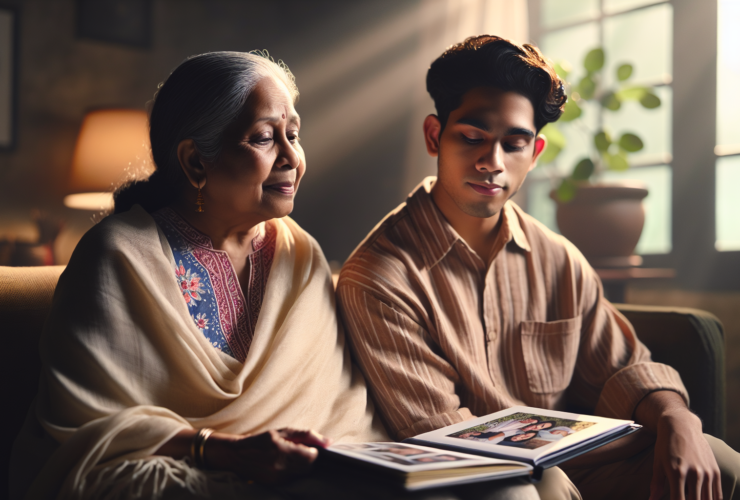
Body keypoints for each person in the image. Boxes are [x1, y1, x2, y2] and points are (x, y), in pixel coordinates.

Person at [337, 35, 740, 500]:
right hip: (476, 476)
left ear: (536, 153)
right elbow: (436, 431)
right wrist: (537, 473)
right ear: (434, 136)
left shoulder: (558, 259)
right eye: (472, 138)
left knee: (718, 458)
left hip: (584, 466)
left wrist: (678, 418)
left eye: (514, 144)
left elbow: (623, 370)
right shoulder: (379, 275)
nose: (492, 163)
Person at [10, 51, 388, 500]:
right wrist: (223, 451)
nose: (291, 157)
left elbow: (341, 413)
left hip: (301, 475)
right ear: (194, 162)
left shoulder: (299, 253)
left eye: (294, 135)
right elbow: (88, 430)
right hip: (176, 472)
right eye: (265, 138)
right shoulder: (117, 256)